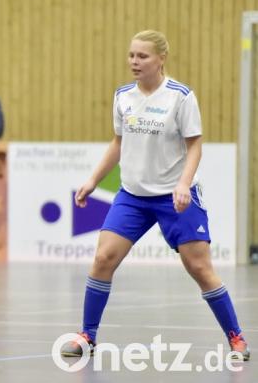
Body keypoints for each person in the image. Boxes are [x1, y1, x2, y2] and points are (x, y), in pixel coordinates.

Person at [60, 30, 249, 360]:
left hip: (173, 197)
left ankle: (236, 337)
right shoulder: (123, 96)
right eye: (131, 55)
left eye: (142, 56)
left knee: (199, 267)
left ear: (161, 59)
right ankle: (87, 335)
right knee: (103, 259)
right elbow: (118, 143)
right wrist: (93, 180)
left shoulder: (180, 97)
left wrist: (183, 184)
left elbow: (195, 146)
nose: (134, 61)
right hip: (132, 196)